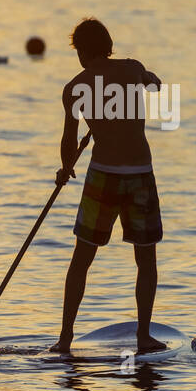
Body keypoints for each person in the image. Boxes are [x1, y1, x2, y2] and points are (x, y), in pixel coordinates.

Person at [50, 19, 167, 354]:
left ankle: (64, 339)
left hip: (102, 175)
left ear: (83, 52)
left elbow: (68, 139)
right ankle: (143, 336)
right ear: (109, 45)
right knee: (145, 260)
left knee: (81, 258)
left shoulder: (75, 87)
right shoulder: (133, 70)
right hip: (140, 175)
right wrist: (152, 80)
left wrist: (65, 168)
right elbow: (153, 84)